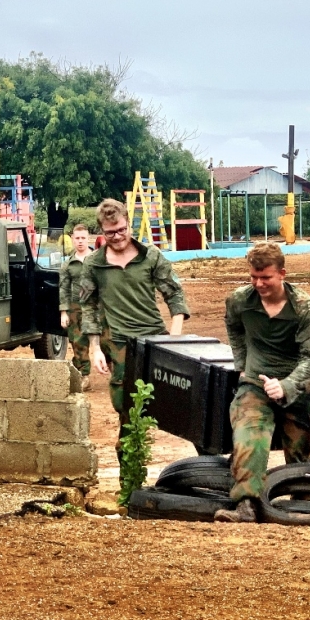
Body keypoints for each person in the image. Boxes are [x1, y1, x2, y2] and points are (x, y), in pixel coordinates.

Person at [78, 199, 189, 473]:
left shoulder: (150, 256)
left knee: (184, 404)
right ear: (101, 231)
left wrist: (173, 338)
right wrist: (95, 348)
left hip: (156, 340)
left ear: (129, 224)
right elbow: (89, 307)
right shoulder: (94, 264)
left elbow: (174, 294)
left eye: (121, 230)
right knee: (127, 414)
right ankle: (131, 485)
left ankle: (210, 470)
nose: (117, 237)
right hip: (120, 346)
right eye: (110, 232)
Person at [215, 243, 310, 524]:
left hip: (294, 385)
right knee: (249, 436)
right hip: (255, 382)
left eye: (266, 278)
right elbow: (233, 328)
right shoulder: (239, 300)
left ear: (282, 274)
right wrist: (242, 366)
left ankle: (302, 506)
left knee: (299, 448)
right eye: (253, 277)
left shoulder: (303, 308)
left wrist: (286, 386)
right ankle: (246, 505)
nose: (259, 284)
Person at [58, 224, 93, 390]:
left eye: (83, 238)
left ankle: (118, 376)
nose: (80, 241)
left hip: (97, 306)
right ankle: (83, 374)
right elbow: (63, 288)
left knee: (110, 341)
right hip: (75, 307)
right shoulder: (67, 265)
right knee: (78, 341)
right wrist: (64, 312)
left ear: (88, 239)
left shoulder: (97, 260)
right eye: (77, 238)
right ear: (72, 240)